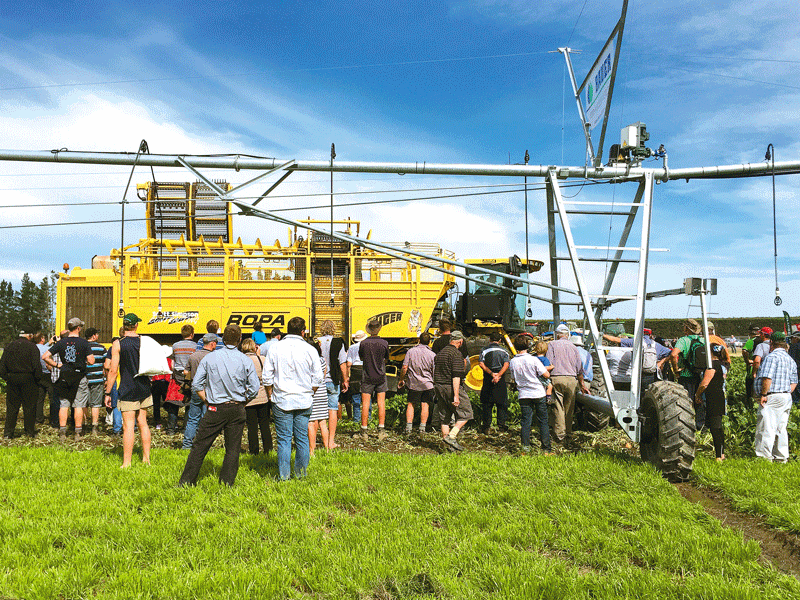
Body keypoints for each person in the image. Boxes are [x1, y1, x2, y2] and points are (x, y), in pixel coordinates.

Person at [178, 324, 259, 486]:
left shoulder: (210, 358)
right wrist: (243, 402)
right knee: (233, 449)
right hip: (237, 408)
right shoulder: (245, 360)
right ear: (240, 340)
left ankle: (186, 482)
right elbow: (254, 388)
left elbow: (196, 385)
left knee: (200, 446)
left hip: (215, 408)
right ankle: (227, 483)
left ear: (223, 339)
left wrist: (208, 400)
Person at [262, 316, 324, 481]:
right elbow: (318, 378)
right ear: (303, 332)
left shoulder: (275, 348)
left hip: (281, 399)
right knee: (302, 438)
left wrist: (270, 394)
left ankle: (284, 476)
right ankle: (301, 474)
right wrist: (310, 392)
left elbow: (267, 377)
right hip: (304, 399)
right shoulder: (310, 349)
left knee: (283, 440)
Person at [104, 314, 152, 467]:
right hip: (144, 386)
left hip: (128, 387)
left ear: (124, 326)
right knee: (143, 423)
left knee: (128, 426)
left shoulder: (118, 344)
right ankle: (146, 460)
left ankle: (126, 463)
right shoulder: (144, 342)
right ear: (136, 325)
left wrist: (107, 392)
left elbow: (113, 370)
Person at [42, 318, 95, 442]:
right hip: (79, 375)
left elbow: (45, 356)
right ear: (78, 328)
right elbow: (91, 360)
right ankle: (77, 433)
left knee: (64, 405)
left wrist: (57, 365)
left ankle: (62, 432)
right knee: (78, 405)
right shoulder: (84, 343)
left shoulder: (61, 343)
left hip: (64, 375)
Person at [753, 332, 798, 462]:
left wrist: (763, 394)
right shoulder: (790, 359)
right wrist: (785, 392)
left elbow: (767, 377)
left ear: (772, 343)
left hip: (771, 396)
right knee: (781, 428)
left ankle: (764, 458)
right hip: (785, 396)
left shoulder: (772, 357)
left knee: (766, 427)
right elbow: (794, 381)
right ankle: (781, 457)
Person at [545, 324, 588, 446]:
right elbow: (579, 368)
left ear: (557, 334)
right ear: (568, 335)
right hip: (571, 379)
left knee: (558, 407)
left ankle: (559, 436)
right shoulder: (574, 347)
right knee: (569, 408)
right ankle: (568, 433)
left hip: (556, 378)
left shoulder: (552, 345)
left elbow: (549, 363)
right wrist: (582, 384)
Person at [509, 334, 551, 453]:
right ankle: (546, 448)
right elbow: (546, 374)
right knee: (543, 421)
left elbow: (513, 377)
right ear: (528, 346)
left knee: (526, 421)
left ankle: (525, 447)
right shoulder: (533, 359)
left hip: (523, 394)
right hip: (538, 392)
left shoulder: (513, 362)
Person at [433, 330, 473, 451]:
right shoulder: (456, 354)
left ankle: (447, 447)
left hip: (438, 386)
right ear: (460, 342)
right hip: (450, 387)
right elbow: (456, 376)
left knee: (444, 417)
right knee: (466, 413)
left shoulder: (440, 354)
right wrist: (456, 395)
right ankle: (451, 436)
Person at [0, 329, 43, 438]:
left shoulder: (9, 346)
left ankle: (8, 433)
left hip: (12, 378)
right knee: (29, 407)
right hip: (29, 378)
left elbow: (2, 365)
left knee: (12, 407)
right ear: (29, 335)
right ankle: (29, 432)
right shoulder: (32, 347)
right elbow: (37, 366)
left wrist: (6, 378)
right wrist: (37, 379)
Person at [603, 327, 670, 394]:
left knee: (635, 394)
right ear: (650, 335)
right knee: (647, 394)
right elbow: (672, 353)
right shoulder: (656, 345)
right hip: (650, 374)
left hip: (637, 374)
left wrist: (602, 335)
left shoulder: (634, 342)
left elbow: (616, 340)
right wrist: (661, 362)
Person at [182, 333, 217, 449]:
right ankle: (202, 445)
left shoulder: (193, 356)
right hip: (209, 390)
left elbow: (185, 372)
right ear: (212, 344)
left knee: (192, 419)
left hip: (196, 390)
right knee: (206, 418)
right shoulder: (214, 356)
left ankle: (187, 445)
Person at [317, 320, 348, 449]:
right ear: (333, 329)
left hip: (319, 382)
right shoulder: (338, 342)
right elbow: (342, 364)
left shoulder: (316, 342)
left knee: (318, 412)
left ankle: (317, 442)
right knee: (333, 410)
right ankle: (331, 442)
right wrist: (345, 380)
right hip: (333, 381)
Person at [358, 319, 390, 441]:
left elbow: (361, 358)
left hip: (367, 376)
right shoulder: (384, 343)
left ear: (369, 330)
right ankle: (381, 430)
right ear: (379, 329)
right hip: (381, 376)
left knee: (365, 403)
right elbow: (386, 358)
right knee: (381, 403)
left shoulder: (363, 343)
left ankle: (364, 431)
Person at [695, 344, 728, 461]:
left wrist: (697, 394)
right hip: (719, 396)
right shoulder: (722, 365)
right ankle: (722, 453)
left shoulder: (712, 366)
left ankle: (719, 455)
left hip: (713, 397)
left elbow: (705, 383)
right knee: (718, 426)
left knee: (715, 427)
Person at [670, 319, 704, 429]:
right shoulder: (703, 340)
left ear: (686, 329)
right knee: (699, 400)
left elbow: (673, 355)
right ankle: (700, 426)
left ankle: (687, 426)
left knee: (685, 402)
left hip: (686, 375)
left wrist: (676, 370)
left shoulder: (683, 340)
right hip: (700, 375)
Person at [399, 332, 435, 435]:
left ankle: (408, 428)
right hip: (427, 384)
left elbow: (404, 367)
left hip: (413, 383)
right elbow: (434, 370)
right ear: (429, 342)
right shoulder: (432, 354)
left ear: (419, 340)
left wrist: (402, 379)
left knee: (411, 404)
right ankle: (422, 428)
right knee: (425, 404)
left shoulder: (411, 351)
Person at [241, 338, 272, 454]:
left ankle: (254, 451)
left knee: (252, 427)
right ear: (255, 347)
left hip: (248, 399)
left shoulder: (242, 361)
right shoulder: (262, 359)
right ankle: (268, 449)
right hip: (263, 396)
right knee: (265, 425)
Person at [478, 331, 510, 434]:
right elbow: (506, 364)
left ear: (490, 340)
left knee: (487, 403)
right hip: (500, 379)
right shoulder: (504, 351)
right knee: (501, 403)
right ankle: (501, 426)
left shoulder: (484, 350)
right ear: (500, 340)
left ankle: (486, 426)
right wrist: (498, 375)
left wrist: (492, 374)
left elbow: (481, 364)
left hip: (488, 378)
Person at [83, 327, 107, 436]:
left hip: (84, 379)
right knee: (95, 404)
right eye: (97, 334)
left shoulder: (82, 347)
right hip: (97, 379)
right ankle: (94, 427)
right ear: (93, 336)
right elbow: (106, 365)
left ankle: (84, 425)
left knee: (83, 403)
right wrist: (106, 379)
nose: (98, 336)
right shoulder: (101, 348)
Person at [308, 340, 330, 456]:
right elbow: (324, 375)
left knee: (311, 422)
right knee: (323, 422)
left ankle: (312, 450)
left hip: (312, 392)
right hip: (322, 392)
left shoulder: (309, 361)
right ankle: (327, 448)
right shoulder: (323, 360)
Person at [346, 330, 367, 422]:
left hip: (355, 370)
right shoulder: (367, 346)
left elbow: (349, 363)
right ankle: (368, 418)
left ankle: (356, 418)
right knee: (367, 394)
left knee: (355, 395)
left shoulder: (352, 347)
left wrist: (347, 377)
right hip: (365, 369)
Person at [172, 324, 196, 404]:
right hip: (189, 375)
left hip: (178, 375)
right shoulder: (195, 346)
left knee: (175, 400)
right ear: (192, 334)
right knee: (189, 399)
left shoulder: (175, 345)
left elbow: (173, 361)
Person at [33, 332, 54, 425]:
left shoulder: (33, 348)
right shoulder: (47, 349)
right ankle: (53, 419)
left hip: (37, 375)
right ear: (42, 338)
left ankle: (38, 418)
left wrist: (49, 342)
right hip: (48, 375)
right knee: (52, 398)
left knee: (39, 398)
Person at [741, 325, 763, 407]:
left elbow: (744, 351)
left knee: (750, 389)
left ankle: (750, 406)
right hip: (762, 368)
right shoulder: (763, 341)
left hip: (752, 368)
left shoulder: (751, 341)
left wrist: (747, 361)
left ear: (750, 332)